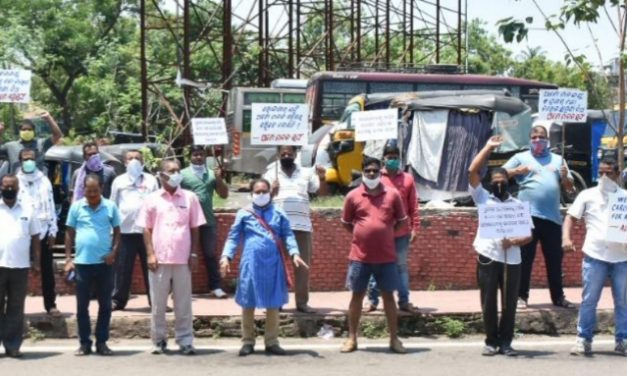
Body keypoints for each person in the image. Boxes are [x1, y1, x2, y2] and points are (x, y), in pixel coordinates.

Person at [220, 178, 308, 356]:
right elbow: (233, 237)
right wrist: (226, 256)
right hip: (251, 264)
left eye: (264, 191)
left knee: (273, 303)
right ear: (252, 194)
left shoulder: (279, 212)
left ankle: (272, 341)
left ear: (270, 192)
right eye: (257, 192)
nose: (261, 195)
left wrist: (295, 253)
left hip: (273, 264)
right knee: (248, 302)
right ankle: (247, 341)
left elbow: (288, 235)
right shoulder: (244, 213)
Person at [469, 136, 532, 357]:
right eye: (494, 180)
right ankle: (491, 340)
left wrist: (514, 241)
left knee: (509, 303)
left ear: (508, 183)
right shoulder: (483, 199)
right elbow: (472, 171)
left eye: (501, 180)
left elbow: (529, 235)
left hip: (512, 260)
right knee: (488, 302)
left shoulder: (518, 206)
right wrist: (487, 147)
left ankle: (506, 342)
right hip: (487, 256)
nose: (498, 183)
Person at [137, 159, 206, 356]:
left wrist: (193, 253)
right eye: (172, 170)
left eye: (178, 170)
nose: (176, 173)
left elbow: (195, 228)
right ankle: (158, 340)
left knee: (183, 303)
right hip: (159, 259)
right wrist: (150, 253)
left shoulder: (190, 198)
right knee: (158, 304)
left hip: (183, 258)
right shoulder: (152, 199)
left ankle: (185, 340)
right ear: (162, 175)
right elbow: (146, 229)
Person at [340, 157, 407, 354]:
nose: (371, 174)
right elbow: (346, 223)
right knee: (357, 297)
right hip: (360, 257)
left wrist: (386, 234)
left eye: (375, 171)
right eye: (368, 171)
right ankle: (351, 338)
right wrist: (362, 234)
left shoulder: (392, 194)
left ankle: (394, 339)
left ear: (380, 173)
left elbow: (402, 221)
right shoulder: (352, 196)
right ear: (362, 172)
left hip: (386, 257)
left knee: (388, 298)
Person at [503, 125, 574, 309]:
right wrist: (517, 171)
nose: (537, 140)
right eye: (534, 137)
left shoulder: (559, 160)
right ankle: (521, 296)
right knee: (525, 259)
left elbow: (569, 188)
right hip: (527, 217)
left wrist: (566, 178)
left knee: (555, 260)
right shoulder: (521, 157)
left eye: (541, 137)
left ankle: (558, 297)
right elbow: (500, 174)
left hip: (552, 218)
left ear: (547, 139)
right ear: (529, 139)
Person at [564, 158, 627, 356]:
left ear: (617, 175)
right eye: (600, 172)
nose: (604, 177)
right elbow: (570, 217)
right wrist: (566, 238)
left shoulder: (625, 198)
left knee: (623, 302)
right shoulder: (587, 195)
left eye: (608, 173)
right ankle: (583, 339)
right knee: (589, 300)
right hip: (595, 256)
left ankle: (623, 340)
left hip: (621, 258)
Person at [263, 145, 327, 313]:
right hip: (278, 227)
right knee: (277, 266)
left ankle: (302, 303)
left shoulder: (306, 173)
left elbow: (319, 193)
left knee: (303, 266)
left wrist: (323, 177)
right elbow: (260, 200)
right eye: (283, 153)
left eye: (289, 153)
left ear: (295, 154)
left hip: (302, 227)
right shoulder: (271, 173)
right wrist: (271, 192)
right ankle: (277, 302)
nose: (286, 155)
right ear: (278, 154)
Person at [64, 174, 121, 356]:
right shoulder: (77, 206)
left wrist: (114, 252)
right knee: (82, 307)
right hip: (82, 264)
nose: (92, 195)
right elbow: (69, 232)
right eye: (89, 191)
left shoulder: (110, 206)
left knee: (105, 305)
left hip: (105, 264)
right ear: (84, 190)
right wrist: (68, 259)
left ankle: (102, 342)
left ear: (101, 188)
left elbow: (118, 232)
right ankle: (84, 343)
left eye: (95, 191)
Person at [366, 141, 420, 313]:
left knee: (401, 266)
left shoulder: (408, 179)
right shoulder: (376, 177)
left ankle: (404, 301)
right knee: (375, 266)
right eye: (389, 158)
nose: (392, 161)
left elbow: (413, 206)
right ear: (383, 159)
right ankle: (372, 301)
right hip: (380, 232)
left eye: (395, 158)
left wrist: (415, 228)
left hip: (402, 232)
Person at [110, 150, 159, 310]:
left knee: (151, 267)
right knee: (122, 268)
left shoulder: (151, 180)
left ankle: (155, 300)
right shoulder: (118, 181)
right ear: (124, 162)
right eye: (130, 158)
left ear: (143, 161)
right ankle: (118, 300)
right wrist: (112, 230)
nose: (134, 161)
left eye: (137, 158)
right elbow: (113, 205)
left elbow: (157, 204)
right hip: (125, 231)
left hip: (147, 232)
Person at [0, 174, 41, 358]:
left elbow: (35, 236)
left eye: (12, 186)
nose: (9, 189)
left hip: (20, 266)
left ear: (18, 189)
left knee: (16, 307)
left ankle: (12, 345)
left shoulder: (28, 209)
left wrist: (37, 261)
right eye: (5, 186)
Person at [181, 145, 229, 298]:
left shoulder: (212, 174)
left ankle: (215, 286)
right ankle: (180, 288)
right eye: (195, 154)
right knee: (184, 254)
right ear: (190, 156)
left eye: (201, 154)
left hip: (208, 221)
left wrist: (219, 178)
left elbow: (224, 195)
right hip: (187, 221)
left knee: (210, 254)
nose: (199, 157)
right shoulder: (183, 174)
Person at [16, 148, 60, 316]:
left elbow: (51, 205)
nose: (29, 161)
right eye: (25, 158)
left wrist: (53, 231)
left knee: (47, 270)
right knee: (17, 271)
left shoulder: (44, 181)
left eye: (31, 158)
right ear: (20, 161)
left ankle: (51, 305)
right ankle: (15, 307)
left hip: (42, 231)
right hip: (22, 232)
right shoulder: (16, 180)